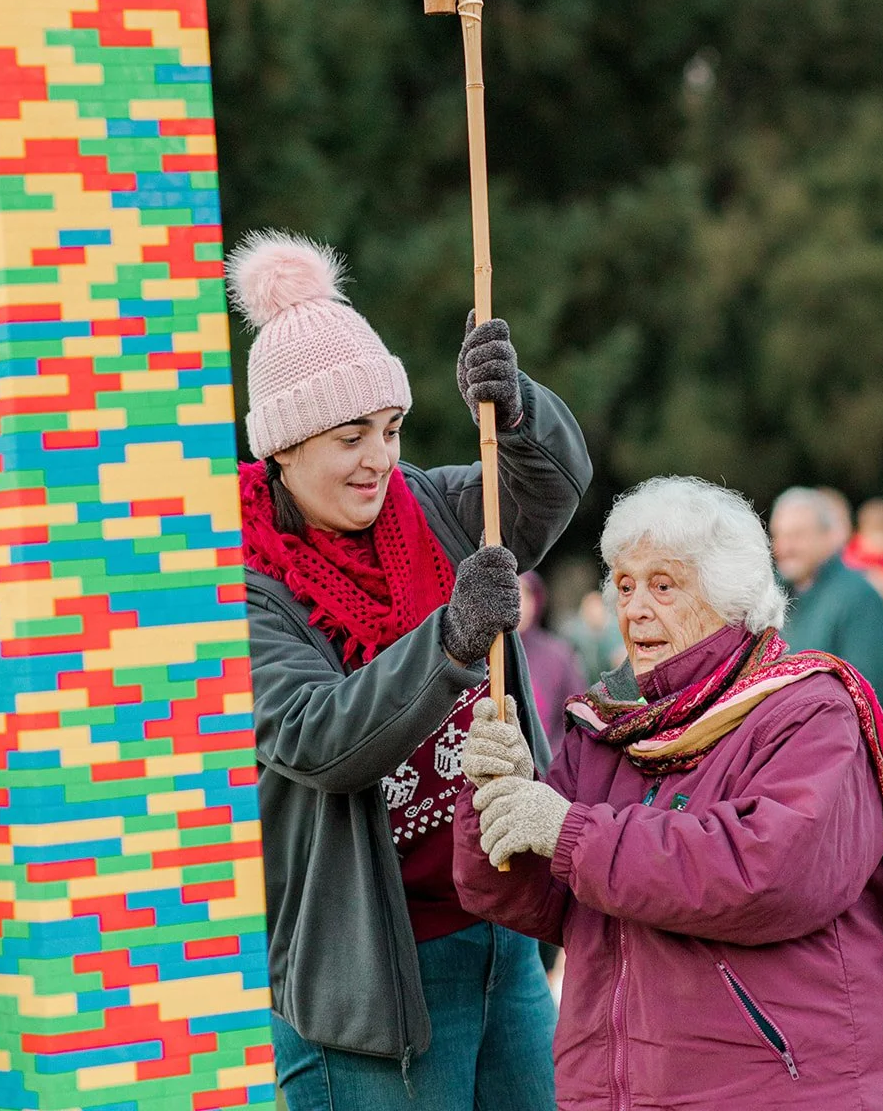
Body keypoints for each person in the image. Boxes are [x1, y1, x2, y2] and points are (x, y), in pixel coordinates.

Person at [227, 230, 593, 1109]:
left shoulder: (432, 502)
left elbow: (547, 490)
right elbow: (317, 738)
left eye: (390, 429)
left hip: (500, 931)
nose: (379, 459)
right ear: (282, 446)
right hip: (370, 975)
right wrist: (452, 639)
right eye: (349, 436)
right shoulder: (242, 584)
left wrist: (519, 413)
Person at [452, 477, 883, 1110]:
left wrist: (568, 831)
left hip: (773, 1090)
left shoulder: (809, 711)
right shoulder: (609, 724)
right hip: (614, 1090)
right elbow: (528, 899)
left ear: (729, 597)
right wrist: (496, 800)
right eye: (624, 585)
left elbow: (765, 874)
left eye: (663, 585)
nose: (634, 608)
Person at [771, 486, 883, 727]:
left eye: (797, 536)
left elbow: (868, 690)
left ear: (828, 537)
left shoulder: (859, 596)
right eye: (779, 536)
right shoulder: (771, 595)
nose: (785, 547)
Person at [518, 569, 587, 756]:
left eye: (524, 595)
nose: (518, 604)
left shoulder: (558, 654)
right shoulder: (483, 657)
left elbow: (576, 716)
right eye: (511, 595)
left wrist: (554, 761)